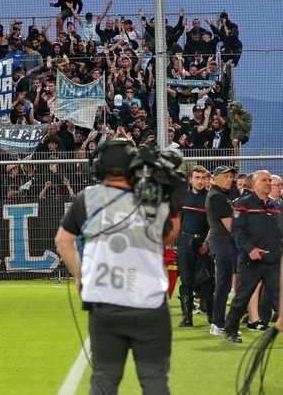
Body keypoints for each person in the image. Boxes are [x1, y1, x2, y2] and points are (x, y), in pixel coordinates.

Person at [55, 139, 181, 395]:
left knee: (104, 380)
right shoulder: (154, 197)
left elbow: (63, 240)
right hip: (149, 305)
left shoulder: (87, 198)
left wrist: (80, 276)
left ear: (98, 167)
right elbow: (169, 237)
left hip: (105, 305)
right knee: (155, 380)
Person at [222, 170, 282, 343]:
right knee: (242, 296)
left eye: (270, 180)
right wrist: (250, 250)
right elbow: (236, 231)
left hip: (273, 260)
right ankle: (230, 329)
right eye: (264, 180)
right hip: (251, 261)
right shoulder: (243, 203)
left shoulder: (275, 205)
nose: (268, 183)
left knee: (280, 296)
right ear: (254, 183)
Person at [175, 165, 214, 327]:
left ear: (207, 180)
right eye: (197, 178)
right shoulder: (182, 197)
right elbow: (176, 218)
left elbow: (214, 223)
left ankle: (212, 317)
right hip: (185, 242)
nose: (200, 181)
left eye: (203, 178)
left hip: (205, 243)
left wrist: (206, 242)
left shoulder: (211, 198)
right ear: (190, 179)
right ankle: (187, 317)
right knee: (186, 280)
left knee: (208, 280)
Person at [205, 165, 238, 337]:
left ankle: (218, 322)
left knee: (223, 284)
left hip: (221, 243)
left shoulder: (220, 196)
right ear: (214, 178)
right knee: (223, 285)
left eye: (231, 177)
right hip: (223, 244)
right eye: (226, 176)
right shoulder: (218, 197)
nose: (229, 180)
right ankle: (218, 323)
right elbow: (230, 226)